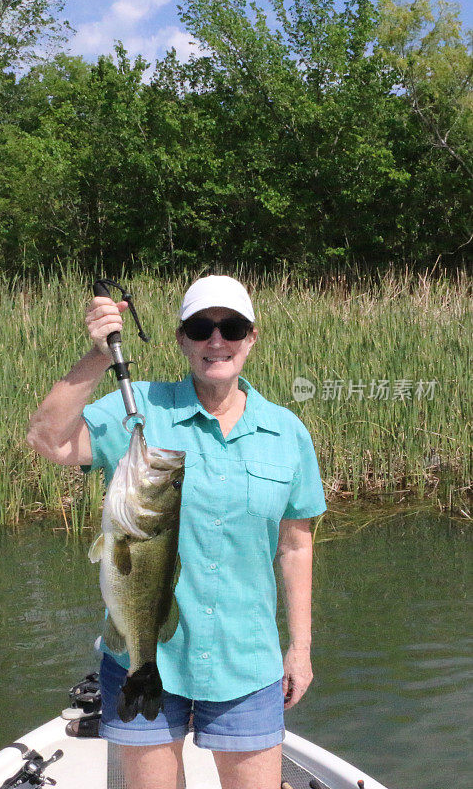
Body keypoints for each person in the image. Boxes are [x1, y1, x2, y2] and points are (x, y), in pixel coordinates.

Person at [26, 275, 327, 789]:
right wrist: (97, 356)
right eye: (200, 327)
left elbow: (296, 546)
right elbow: (48, 440)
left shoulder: (287, 433)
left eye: (230, 327)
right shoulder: (138, 408)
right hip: (147, 660)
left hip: (246, 665)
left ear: (251, 336)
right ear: (182, 339)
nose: (216, 340)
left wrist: (300, 647)